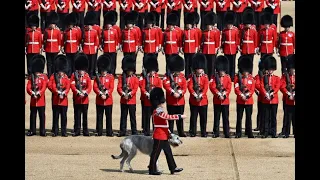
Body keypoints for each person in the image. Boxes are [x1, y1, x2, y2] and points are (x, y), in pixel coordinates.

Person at [148, 87, 185, 175]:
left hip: (163, 134)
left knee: (168, 152)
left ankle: (173, 168)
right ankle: (152, 169)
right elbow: (166, 117)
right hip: (159, 135)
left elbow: (164, 124)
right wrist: (179, 116)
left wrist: (168, 133)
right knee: (155, 153)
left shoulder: (159, 110)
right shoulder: (157, 111)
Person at [163, 55, 187, 137]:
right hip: (171, 101)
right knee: (171, 118)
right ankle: (170, 131)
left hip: (180, 101)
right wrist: (173, 93)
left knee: (179, 117)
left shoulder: (182, 76)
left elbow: (185, 87)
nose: (178, 72)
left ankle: (181, 132)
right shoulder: (167, 76)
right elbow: (166, 85)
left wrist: (180, 93)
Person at [48, 55, 71, 137]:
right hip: (55, 99)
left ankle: (64, 131)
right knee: (55, 116)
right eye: (60, 71)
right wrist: (57, 92)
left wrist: (64, 93)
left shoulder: (66, 78)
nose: (61, 73)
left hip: (64, 100)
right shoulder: (53, 76)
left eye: (62, 71)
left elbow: (68, 87)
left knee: (64, 117)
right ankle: (55, 131)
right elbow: (51, 85)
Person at [139, 54, 163, 136]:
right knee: (146, 116)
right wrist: (146, 93)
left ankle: (155, 130)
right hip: (146, 100)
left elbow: (159, 88)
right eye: (151, 70)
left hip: (154, 101)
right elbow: (142, 87)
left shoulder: (158, 78)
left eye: (153, 70)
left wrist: (154, 95)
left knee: (154, 116)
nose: (152, 72)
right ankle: (146, 131)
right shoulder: (145, 78)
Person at [117, 56, 140, 136]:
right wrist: (123, 94)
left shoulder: (135, 78)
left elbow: (135, 89)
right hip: (123, 100)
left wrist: (129, 95)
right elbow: (119, 87)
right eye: (129, 70)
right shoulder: (121, 77)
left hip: (131, 100)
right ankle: (122, 131)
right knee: (123, 116)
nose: (130, 72)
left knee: (132, 117)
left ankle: (134, 131)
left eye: (131, 71)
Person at [209, 55, 232, 138]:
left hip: (225, 101)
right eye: (220, 70)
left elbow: (229, 88)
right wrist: (218, 94)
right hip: (217, 100)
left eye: (223, 70)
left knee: (225, 118)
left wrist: (224, 95)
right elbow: (212, 87)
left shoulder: (227, 78)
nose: (222, 72)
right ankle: (216, 132)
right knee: (217, 117)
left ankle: (226, 132)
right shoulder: (214, 77)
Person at [187, 54, 209, 137]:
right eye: (198, 68)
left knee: (203, 118)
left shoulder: (205, 77)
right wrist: (195, 95)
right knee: (193, 117)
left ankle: (203, 132)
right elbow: (189, 87)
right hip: (194, 100)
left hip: (203, 101)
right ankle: (193, 132)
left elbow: (206, 87)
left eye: (201, 68)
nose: (199, 70)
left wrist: (201, 95)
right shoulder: (191, 77)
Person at [70, 53, 92, 136]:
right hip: (77, 98)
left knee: (85, 116)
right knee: (77, 115)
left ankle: (85, 130)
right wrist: (77, 92)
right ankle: (77, 130)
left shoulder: (87, 76)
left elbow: (89, 86)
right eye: (80, 70)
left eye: (82, 70)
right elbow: (72, 85)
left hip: (85, 99)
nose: (81, 71)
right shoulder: (74, 76)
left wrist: (85, 93)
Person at [26, 55, 48, 136]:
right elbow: (28, 87)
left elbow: (44, 86)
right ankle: (32, 130)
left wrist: (38, 93)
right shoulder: (31, 77)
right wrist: (32, 93)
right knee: (33, 115)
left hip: (41, 100)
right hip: (33, 100)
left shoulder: (43, 77)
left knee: (42, 116)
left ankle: (42, 131)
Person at [234, 55, 255, 138]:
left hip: (249, 101)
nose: (246, 73)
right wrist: (241, 95)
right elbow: (236, 88)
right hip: (240, 100)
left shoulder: (251, 78)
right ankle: (238, 132)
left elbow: (252, 89)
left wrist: (247, 95)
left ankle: (249, 132)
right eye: (244, 71)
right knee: (239, 118)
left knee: (249, 118)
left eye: (247, 71)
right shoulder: (237, 78)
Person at [93, 55, 115, 136]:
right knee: (99, 117)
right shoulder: (97, 78)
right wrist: (100, 93)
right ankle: (99, 131)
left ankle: (109, 132)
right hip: (99, 100)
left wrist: (106, 94)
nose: (103, 72)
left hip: (108, 100)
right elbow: (95, 87)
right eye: (102, 70)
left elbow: (111, 88)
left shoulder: (110, 77)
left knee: (108, 117)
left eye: (104, 70)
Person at [259, 56, 280, 138]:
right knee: (266, 117)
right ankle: (266, 131)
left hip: (274, 100)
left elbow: (277, 87)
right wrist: (265, 94)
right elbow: (261, 86)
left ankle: (273, 132)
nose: (270, 71)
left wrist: (272, 93)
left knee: (273, 117)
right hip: (266, 100)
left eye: (272, 69)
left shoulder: (276, 78)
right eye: (269, 69)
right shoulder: (264, 78)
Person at [221, 10, 239, 82]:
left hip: (233, 48)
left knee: (233, 63)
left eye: (230, 24)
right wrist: (222, 47)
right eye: (228, 24)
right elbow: (223, 40)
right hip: (226, 48)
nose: (229, 26)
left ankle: (232, 76)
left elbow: (237, 40)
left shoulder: (235, 30)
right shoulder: (224, 31)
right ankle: (227, 76)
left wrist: (237, 47)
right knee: (227, 63)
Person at [201, 12, 221, 78]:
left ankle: (212, 76)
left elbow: (217, 41)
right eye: (208, 25)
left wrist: (216, 48)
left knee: (212, 64)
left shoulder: (215, 32)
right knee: (206, 64)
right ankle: (206, 76)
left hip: (212, 49)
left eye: (210, 25)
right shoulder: (204, 32)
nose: (209, 27)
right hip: (205, 49)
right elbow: (202, 41)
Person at [280, 54, 295, 138]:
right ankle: (286, 132)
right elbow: (282, 86)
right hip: (287, 99)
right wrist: (288, 93)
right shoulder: (285, 76)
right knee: (287, 116)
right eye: (292, 69)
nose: (293, 71)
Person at [43, 12, 61, 77]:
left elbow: (59, 40)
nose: (51, 25)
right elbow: (44, 39)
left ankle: (54, 73)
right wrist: (44, 47)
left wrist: (59, 47)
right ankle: (49, 73)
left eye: (53, 24)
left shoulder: (57, 31)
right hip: (48, 48)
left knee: (54, 62)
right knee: (49, 62)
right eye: (50, 24)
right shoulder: (46, 31)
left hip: (55, 48)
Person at [82, 12, 99, 79]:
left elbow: (96, 40)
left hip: (92, 48)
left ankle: (91, 74)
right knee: (86, 62)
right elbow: (82, 40)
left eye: (90, 25)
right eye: (88, 25)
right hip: (86, 48)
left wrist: (95, 48)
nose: (89, 27)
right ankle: (86, 74)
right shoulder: (84, 32)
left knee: (92, 63)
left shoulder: (94, 32)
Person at [182, 13, 199, 77]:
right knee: (186, 63)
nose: (188, 26)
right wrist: (181, 47)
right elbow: (182, 40)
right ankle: (186, 75)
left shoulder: (194, 31)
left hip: (192, 49)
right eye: (187, 24)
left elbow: (196, 40)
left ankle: (192, 75)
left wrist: (196, 48)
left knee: (192, 63)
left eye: (189, 24)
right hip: (186, 48)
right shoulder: (184, 32)